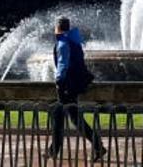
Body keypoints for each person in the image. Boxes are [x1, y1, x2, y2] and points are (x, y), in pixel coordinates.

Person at [45, 17, 106, 161]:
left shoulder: (63, 43)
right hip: (74, 85)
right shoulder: (74, 42)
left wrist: (59, 82)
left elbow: (62, 64)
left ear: (58, 28)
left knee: (73, 118)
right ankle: (54, 150)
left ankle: (98, 146)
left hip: (66, 86)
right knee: (61, 115)